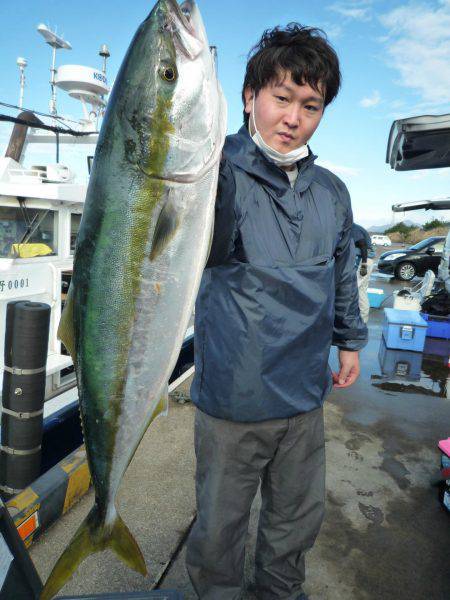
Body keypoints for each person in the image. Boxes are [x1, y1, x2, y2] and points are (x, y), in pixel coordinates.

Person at [186, 23, 368, 600]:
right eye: (281, 98)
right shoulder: (210, 176)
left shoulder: (332, 192)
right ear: (249, 97)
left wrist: (350, 340)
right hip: (231, 401)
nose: (293, 118)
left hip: (304, 395)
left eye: (310, 105)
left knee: (294, 526)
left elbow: (342, 272)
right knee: (219, 532)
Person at [351, 223, 376, 323]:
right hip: (366, 260)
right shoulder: (354, 227)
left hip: (364, 261)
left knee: (354, 290)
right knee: (361, 291)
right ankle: (363, 321)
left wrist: (363, 265)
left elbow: (363, 244)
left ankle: (360, 321)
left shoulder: (352, 228)